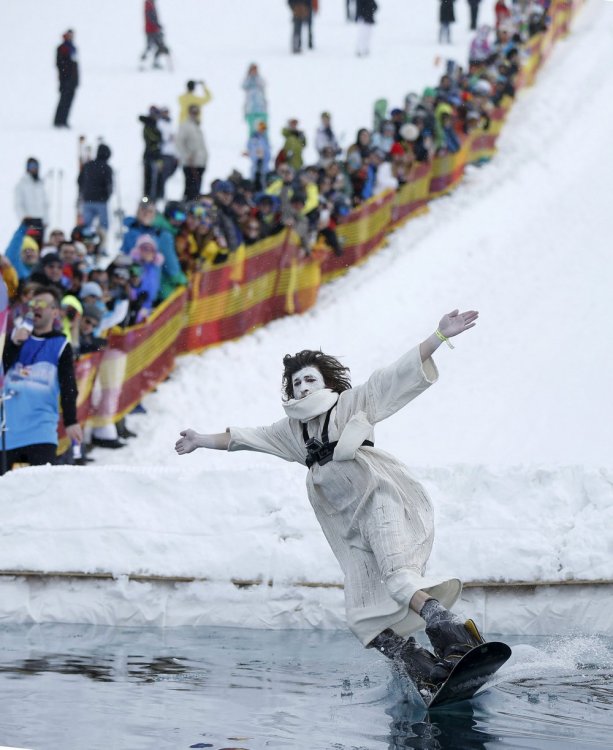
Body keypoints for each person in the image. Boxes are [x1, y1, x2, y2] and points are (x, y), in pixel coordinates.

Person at [175, 309, 485, 695]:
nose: (303, 387)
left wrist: (438, 336)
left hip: (380, 498)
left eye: (310, 379)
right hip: (345, 524)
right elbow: (243, 437)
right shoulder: (291, 431)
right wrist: (201, 439)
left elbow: (394, 375)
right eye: (297, 382)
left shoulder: (350, 404)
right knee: (360, 618)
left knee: (399, 580)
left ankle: (456, 638)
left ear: (325, 382)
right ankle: (423, 669)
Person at [2, 286, 82, 470]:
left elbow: (69, 385)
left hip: (40, 431)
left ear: (55, 312)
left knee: (39, 492)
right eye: (33, 303)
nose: (36, 307)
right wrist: (13, 344)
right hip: (6, 432)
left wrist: (70, 421)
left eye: (43, 303)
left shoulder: (61, 345)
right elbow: (2, 371)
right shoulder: (14, 339)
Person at [77, 143, 113, 245]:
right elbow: (109, 185)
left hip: (87, 200)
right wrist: (106, 196)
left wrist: (84, 192)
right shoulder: (106, 168)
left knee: (87, 226)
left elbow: (79, 180)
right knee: (103, 226)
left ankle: (87, 246)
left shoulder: (88, 165)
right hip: (101, 201)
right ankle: (102, 246)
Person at [176, 104, 208, 201]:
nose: (195, 114)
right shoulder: (185, 126)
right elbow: (179, 142)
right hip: (191, 163)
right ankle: (187, 206)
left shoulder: (197, 126)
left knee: (197, 189)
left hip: (200, 162)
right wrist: (186, 156)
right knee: (190, 189)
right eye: (193, 112)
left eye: (197, 112)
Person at [14, 158, 49, 230]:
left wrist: (46, 220)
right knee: (28, 241)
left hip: (40, 221)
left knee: (39, 241)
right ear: (27, 167)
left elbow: (45, 204)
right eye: (31, 166)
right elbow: (18, 203)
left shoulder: (41, 185)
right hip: (28, 221)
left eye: (36, 166)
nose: (34, 168)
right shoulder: (22, 184)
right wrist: (23, 216)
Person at [53, 29, 79, 128]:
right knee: (63, 100)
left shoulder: (72, 48)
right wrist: (64, 77)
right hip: (65, 80)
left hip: (72, 80)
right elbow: (60, 64)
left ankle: (64, 120)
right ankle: (59, 121)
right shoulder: (62, 48)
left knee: (68, 101)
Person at [140, 0, 171, 70]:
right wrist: (157, 25)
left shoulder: (150, 3)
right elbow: (150, 17)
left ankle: (155, 62)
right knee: (150, 47)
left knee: (159, 46)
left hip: (153, 29)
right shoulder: (148, 4)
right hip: (151, 30)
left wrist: (158, 25)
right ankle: (142, 63)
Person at [242, 63, 268, 136]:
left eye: (255, 70)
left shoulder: (260, 78)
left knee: (263, 127)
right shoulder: (247, 79)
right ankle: (252, 143)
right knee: (252, 128)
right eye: (252, 70)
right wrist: (250, 77)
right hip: (250, 108)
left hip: (261, 107)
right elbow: (243, 86)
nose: (254, 71)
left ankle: (265, 143)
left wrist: (256, 77)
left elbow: (263, 84)